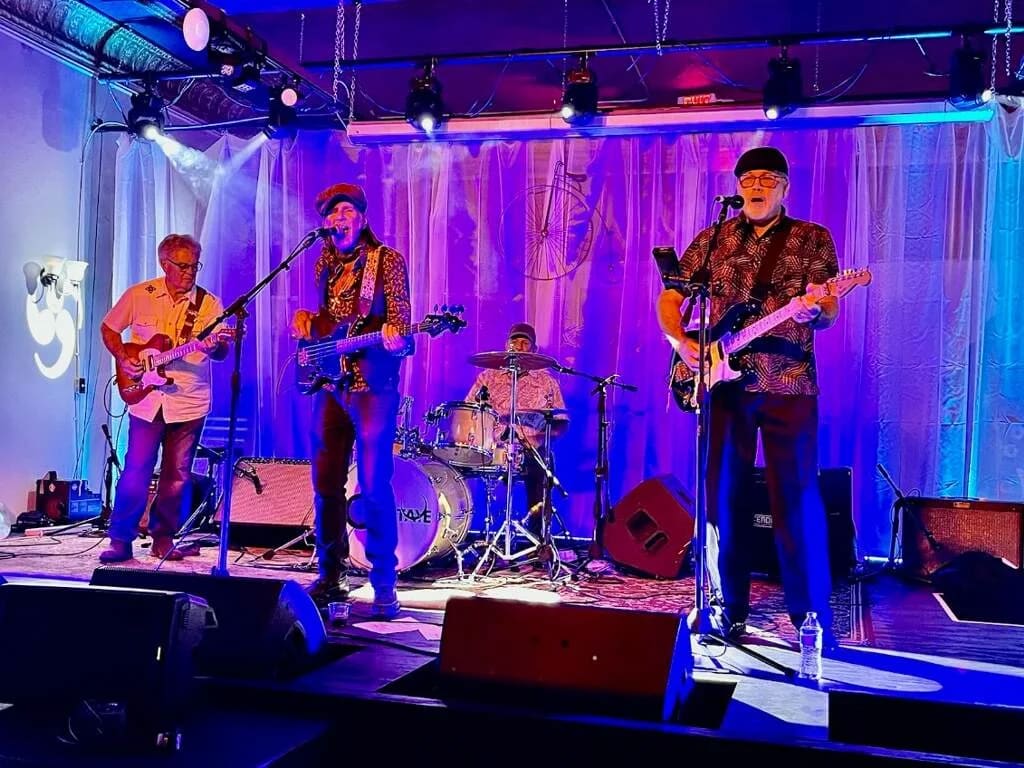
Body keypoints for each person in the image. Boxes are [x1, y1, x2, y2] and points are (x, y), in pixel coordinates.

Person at [656, 146, 840, 649]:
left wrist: (817, 311)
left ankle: (810, 616)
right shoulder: (713, 239)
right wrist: (680, 342)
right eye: (749, 179)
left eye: (768, 178)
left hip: (789, 382)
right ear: (738, 188)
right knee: (721, 498)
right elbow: (672, 296)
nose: (757, 186)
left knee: (797, 498)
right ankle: (724, 607)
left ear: (785, 187)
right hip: (724, 385)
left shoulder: (811, 237)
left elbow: (828, 306)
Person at [291, 182, 413, 620]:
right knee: (325, 484)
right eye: (331, 213)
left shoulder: (386, 260)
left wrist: (396, 338)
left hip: (372, 387)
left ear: (361, 218)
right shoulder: (323, 261)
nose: (338, 219)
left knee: (375, 483)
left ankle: (384, 582)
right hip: (330, 384)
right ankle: (330, 575)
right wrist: (308, 327)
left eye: (346, 211)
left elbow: (401, 325)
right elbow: (327, 323)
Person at [99, 234, 229, 563]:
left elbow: (222, 352)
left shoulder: (209, 304)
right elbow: (109, 328)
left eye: (195, 266)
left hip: (188, 400)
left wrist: (214, 346)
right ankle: (120, 539)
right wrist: (124, 357)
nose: (190, 273)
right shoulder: (140, 294)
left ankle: (163, 538)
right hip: (146, 399)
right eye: (183, 266)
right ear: (164, 264)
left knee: (177, 475)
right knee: (136, 470)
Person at [465, 323, 568, 539]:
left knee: (541, 465)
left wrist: (540, 438)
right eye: (514, 342)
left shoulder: (547, 382)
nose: (519, 347)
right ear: (507, 346)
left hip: (529, 449)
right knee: (458, 459)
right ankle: (466, 532)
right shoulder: (488, 377)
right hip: (492, 447)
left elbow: (561, 423)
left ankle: (537, 538)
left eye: (525, 343)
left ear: (534, 349)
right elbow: (469, 410)